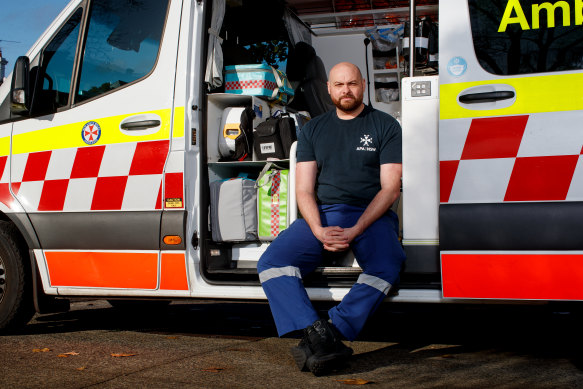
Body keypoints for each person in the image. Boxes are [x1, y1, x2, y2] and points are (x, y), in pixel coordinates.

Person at [256, 62, 405, 376]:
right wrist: (318, 229)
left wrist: (355, 229)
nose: (346, 90)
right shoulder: (313, 129)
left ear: (362, 84)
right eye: (339, 85)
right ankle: (315, 332)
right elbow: (304, 190)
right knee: (271, 262)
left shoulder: (386, 125)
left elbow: (390, 188)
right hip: (323, 214)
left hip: (372, 215)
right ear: (328, 88)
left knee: (388, 265)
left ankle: (334, 330)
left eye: (351, 83)